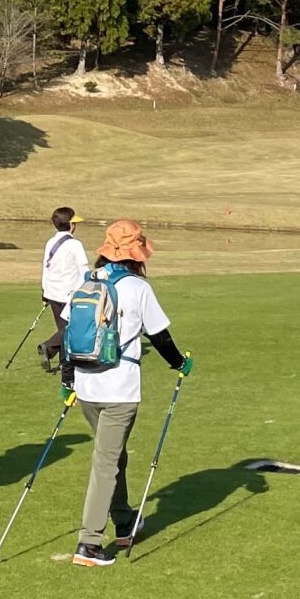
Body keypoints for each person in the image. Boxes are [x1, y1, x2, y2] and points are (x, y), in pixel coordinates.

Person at [66, 219, 190, 567]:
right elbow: (160, 337)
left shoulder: (87, 281)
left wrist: (67, 381)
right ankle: (89, 543)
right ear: (137, 254)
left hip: (86, 385)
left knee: (113, 455)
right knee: (106, 461)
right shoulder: (138, 288)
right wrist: (180, 364)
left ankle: (124, 521)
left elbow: (67, 334)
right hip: (119, 388)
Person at [37, 205, 88, 378]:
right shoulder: (75, 244)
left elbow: (46, 268)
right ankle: (49, 347)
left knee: (63, 328)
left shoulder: (50, 242)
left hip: (52, 292)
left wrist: (44, 292)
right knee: (71, 329)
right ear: (71, 225)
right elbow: (84, 271)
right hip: (69, 294)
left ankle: (63, 363)